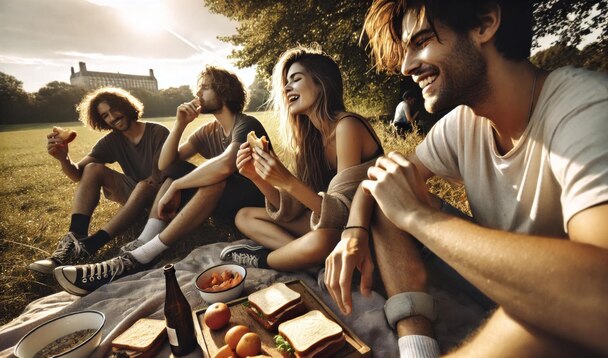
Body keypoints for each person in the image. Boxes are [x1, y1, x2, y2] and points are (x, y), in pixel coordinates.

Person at [324, 1, 608, 357]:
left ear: (485, 23)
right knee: (389, 204)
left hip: (565, 311)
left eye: (421, 41)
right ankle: (417, 349)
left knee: (543, 321)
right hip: (495, 289)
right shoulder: (462, 124)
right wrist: (353, 232)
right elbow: (380, 179)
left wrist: (419, 217)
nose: (406, 67)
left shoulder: (588, 110)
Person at [54, 66, 272, 296]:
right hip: (225, 208)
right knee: (177, 168)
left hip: (254, 201)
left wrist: (178, 185)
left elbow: (226, 165)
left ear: (225, 91)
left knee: (215, 179)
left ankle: (141, 256)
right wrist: (180, 124)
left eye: (205, 88)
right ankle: (144, 242)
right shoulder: (209, 130)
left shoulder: (246, 124)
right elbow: (166, 164)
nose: (198, 95)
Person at [219, 46, 384, 272]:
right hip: (325, 224)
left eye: (296, 79)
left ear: (321, 83)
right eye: (286, 82)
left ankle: (267, 259)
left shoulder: (347, 126)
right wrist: (258, 177)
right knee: (245, 216)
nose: (286, 88)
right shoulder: (311, 140)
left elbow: (342, 216)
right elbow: (296, 208)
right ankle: (303, 259)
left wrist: (286, 180)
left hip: (365, 230)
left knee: (320, 241)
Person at [29, 88, 173, 275]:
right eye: (105, 115)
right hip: (137, 194)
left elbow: (158, 178)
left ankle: (92, 245)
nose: (112, 117)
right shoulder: (112, 141)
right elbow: (79, 175)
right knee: (92, 168)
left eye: (114, 110)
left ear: (126, 106)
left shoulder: (157, 132)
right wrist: (63, 158)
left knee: (145, 185)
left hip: (162, 197)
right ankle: (74, 240)